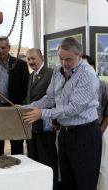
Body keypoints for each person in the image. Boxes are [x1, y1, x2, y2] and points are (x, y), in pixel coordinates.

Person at [23, 37, 102, 190]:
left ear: (80, 56)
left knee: (84, 182)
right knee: (67, 180)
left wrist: (42, 114)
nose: (64, 63)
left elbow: (73, 109)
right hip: (65, 134)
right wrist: (27, 107)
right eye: (61, 58)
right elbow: (50, 98)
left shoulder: (88, 75)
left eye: (69, 60)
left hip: (85, 134)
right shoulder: (58, 71)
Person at [0, 36, 29, 155]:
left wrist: (21, 104)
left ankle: (16, 171)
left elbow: (25, 89)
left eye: (3, 48)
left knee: (16, 145)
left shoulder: (20, 65)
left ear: (8, 48)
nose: (1, 51)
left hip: (13, 108)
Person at [25, 48, 58, 190]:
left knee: (47, 159)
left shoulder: (51, 74)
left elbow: (55, 99)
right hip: (31, 125)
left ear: (42, 57)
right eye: (29, 59)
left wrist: (55, 121)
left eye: (33, 58)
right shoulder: (31, 75)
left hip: (46, 124)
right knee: (34, 159)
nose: (31, 62)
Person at [82, 54, 108, 190]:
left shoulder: (102, 85)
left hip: (96, 131)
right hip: (78, 131)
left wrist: (101, 129)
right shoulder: (74, 84)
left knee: (97, 166)